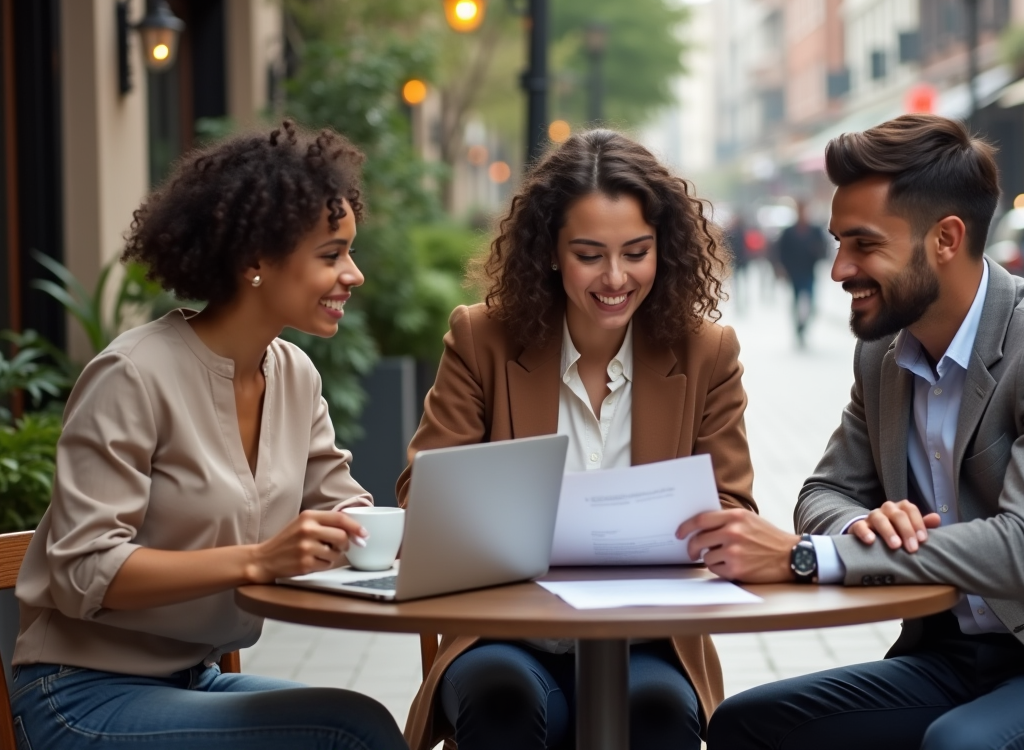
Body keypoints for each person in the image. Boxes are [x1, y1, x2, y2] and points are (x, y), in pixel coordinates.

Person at [679, 114, 1024, 750]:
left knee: (961, 746)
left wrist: (810, 557)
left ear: (946, 239)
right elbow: (822, 492)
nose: (840, 268)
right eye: (838, 241)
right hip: (957, 659)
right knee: (745, 725)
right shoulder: (884, 354)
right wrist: (860, 526)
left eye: (864, 245)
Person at [10, 121, 409, 750]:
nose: (353, 275)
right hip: (81, 693)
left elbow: (339, 503)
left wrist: (378, 530)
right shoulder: (132, 374)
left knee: (371, 724)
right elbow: (83, 569)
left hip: (191, 679)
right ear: (255, 261)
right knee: (347, 735)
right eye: (331, 255)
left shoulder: (295, 374)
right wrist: (259, 559)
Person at [395, 129, 757, 750]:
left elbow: (736, 512)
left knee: (660, 714)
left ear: (663, 251)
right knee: (499, 700)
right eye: (589, 254)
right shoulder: (482, 339)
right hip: (504, 634)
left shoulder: (706, 352)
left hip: (648, 641)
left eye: (636, 252)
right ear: (550, 253)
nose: (615, 277)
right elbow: (422, 498)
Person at [774, 200, 828, 342]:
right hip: (793, 273)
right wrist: (780, 269)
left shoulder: (815, 230)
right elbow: (780, 252)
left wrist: (816, 250)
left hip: (809, 271)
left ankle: (803, 325)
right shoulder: (788, 231)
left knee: (811, 302)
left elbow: (824, 250)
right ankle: (797, 325)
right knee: (796, 301)